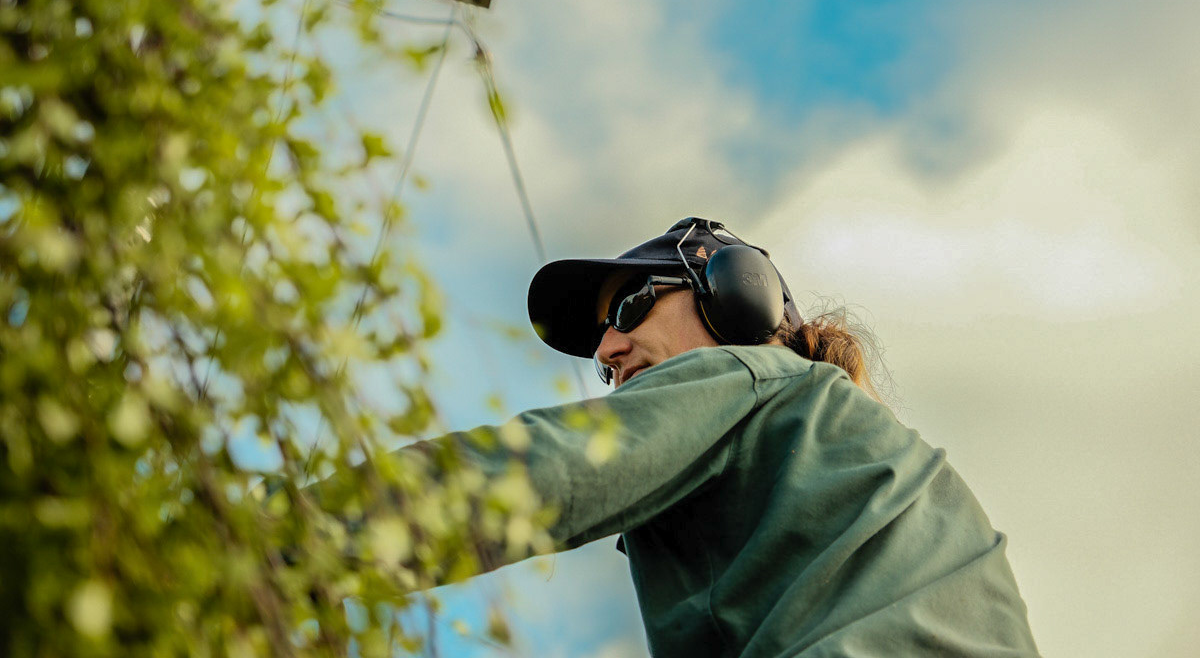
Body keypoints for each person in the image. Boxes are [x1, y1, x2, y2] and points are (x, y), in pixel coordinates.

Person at [328, 217, 1040, 657]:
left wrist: (289, 532)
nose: (607, 349)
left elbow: (536, 473)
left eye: (631, 307)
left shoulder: (758, 379)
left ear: (735, 299)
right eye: (601, 343)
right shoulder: (845, 444)